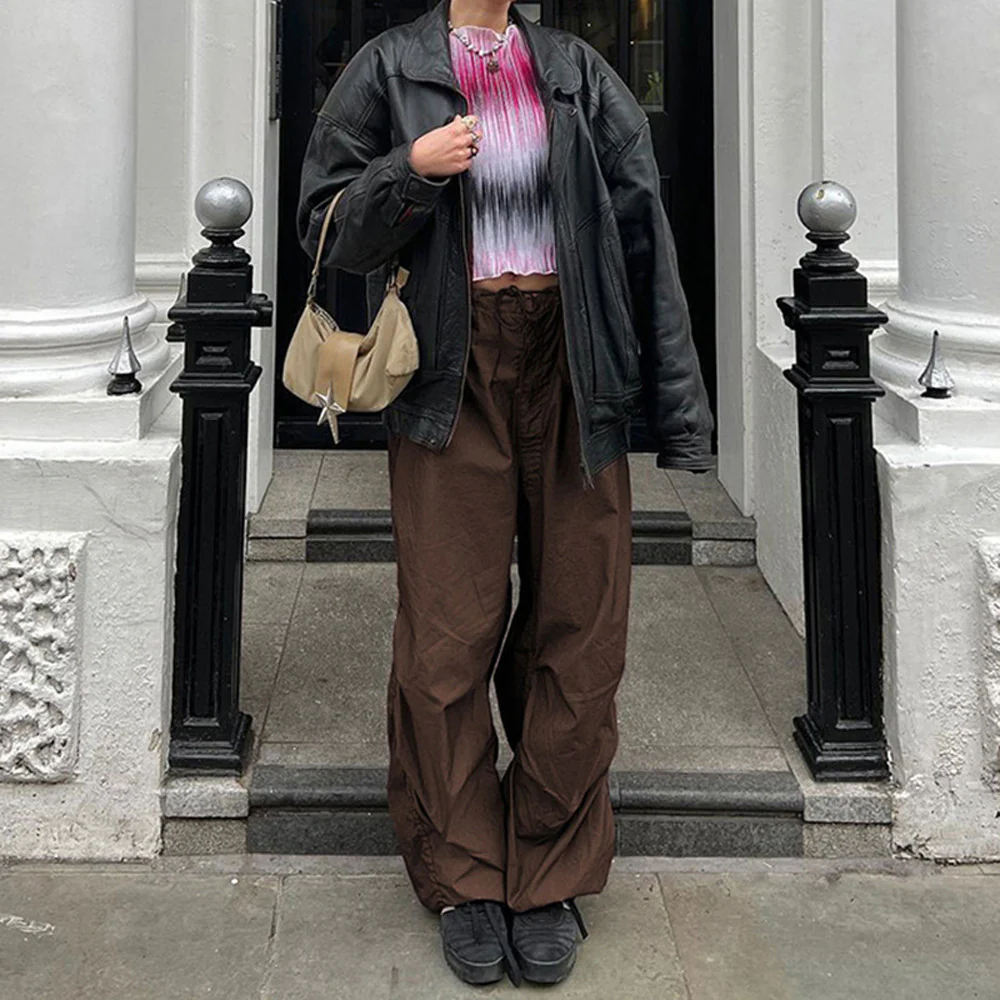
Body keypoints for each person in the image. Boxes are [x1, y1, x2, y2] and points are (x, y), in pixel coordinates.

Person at [297, 0, 713, 986]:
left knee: (581, 624)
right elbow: (325, 225)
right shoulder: (388, 66)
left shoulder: (575, 70)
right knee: (448, 631)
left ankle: (549, 868)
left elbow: (642, 232)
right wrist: (411, 169)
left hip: (574, 366)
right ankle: (465, 875)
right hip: (455, 368)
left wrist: (679, 408)